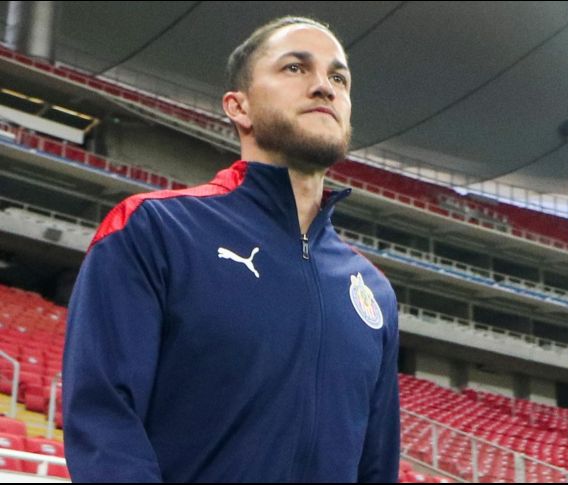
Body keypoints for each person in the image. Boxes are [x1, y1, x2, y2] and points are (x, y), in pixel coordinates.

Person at [63, 16, 400, 482]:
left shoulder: (374, 293)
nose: (324, 87)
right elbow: (105, 421)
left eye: (338, 77)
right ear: (238, 107)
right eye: (295, 69)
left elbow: (376, 466)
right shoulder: (154, 230)